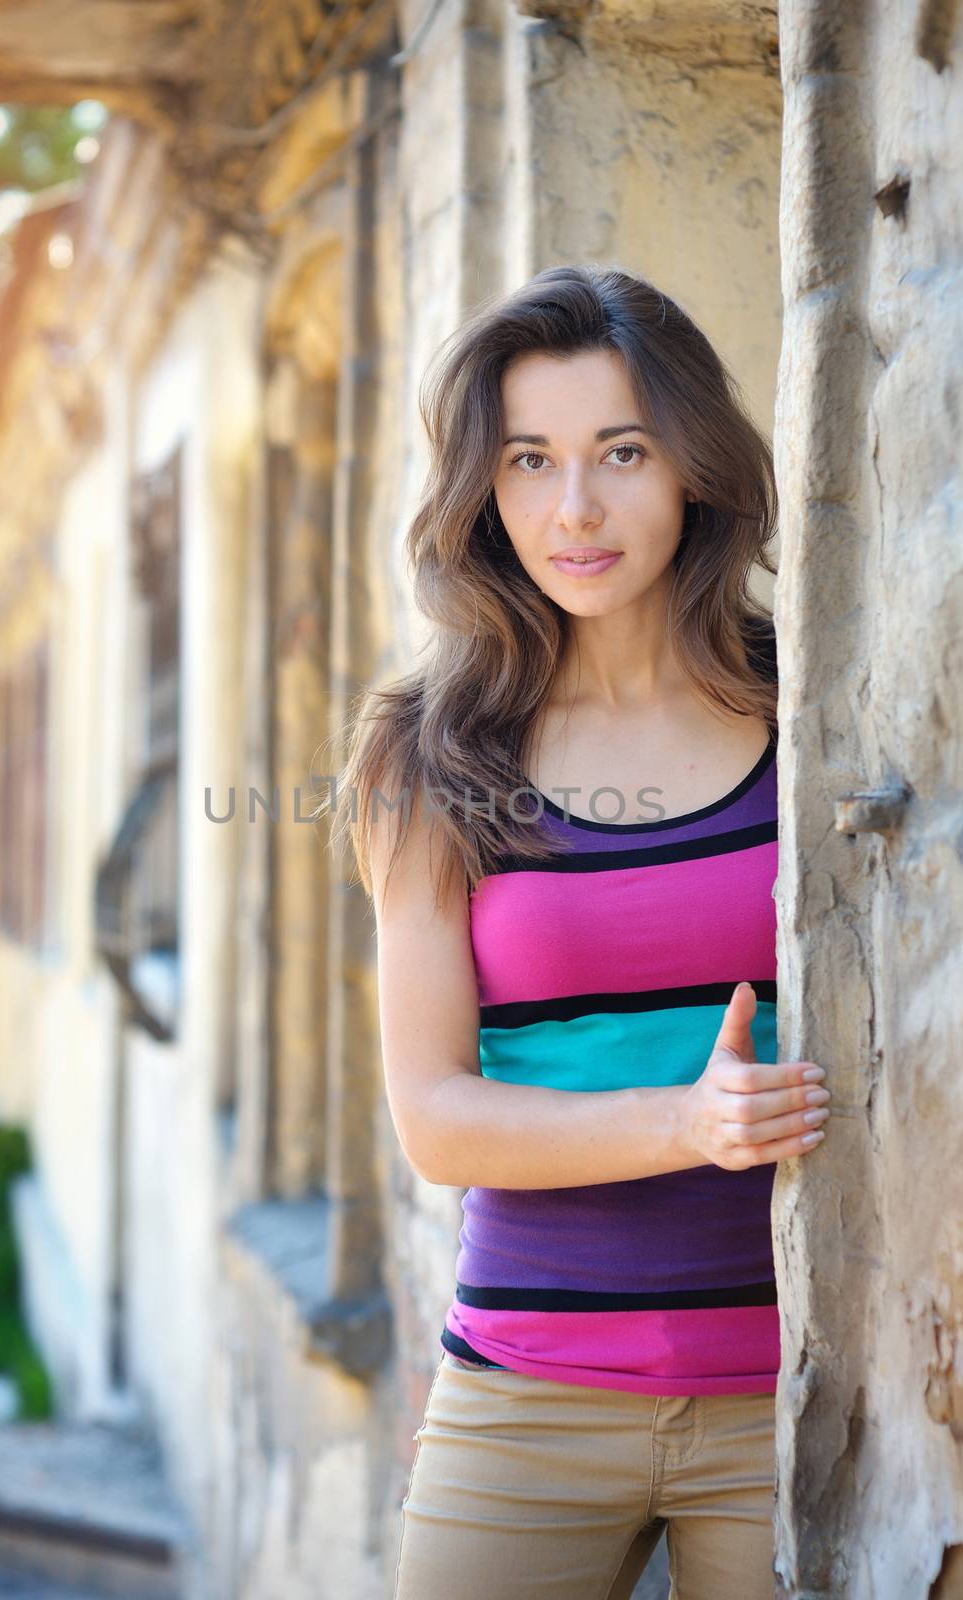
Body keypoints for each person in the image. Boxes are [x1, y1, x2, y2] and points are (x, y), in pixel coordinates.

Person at [326, 264, 832, 1599]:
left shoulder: (828, 713)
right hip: (528, 1399)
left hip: (808, 1396)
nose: (576, 509)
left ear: (696, 469)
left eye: (622, 452)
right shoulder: (428, 757)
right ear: (480, 492)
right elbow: (436, 1117)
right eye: (528, 461)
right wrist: (691, 1122)